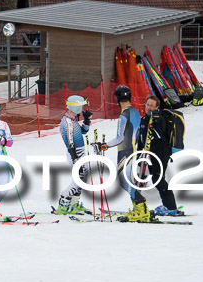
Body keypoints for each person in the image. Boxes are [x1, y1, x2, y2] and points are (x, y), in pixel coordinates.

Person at [95, 85, 147, 222]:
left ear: (117, 99)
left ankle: (141, 208)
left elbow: (120, 138)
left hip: (125, 151)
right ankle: (138, 208)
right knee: (129, 181)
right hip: (133, 150)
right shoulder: (136, 112)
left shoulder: (123, 115)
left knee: (124, 182)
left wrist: (104, 145)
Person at [136, 95, 179, 216]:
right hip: (150, 155)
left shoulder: (159, 118)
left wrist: (154, 123)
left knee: (158, 179)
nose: (149, 107)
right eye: (147, 104)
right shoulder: (144, 119)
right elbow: (141, 138)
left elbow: (159, 137)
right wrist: (138, 155)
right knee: (156, 179)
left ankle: (171, 207)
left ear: (157, 107)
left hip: (161, 153)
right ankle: (168, 205)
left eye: (151, 105)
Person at [55, 95, 92, 215]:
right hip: (75, 153)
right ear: (75, 107)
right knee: (78, 180)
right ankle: (64, 203)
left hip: (80, 152)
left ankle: (74, 203)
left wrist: (86, 120)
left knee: (82, 178)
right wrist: (75, 158)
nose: (82, 108)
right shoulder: (67, 122)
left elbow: (84, 132)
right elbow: (70, 141)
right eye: (80, 106)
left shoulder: (72, 120)